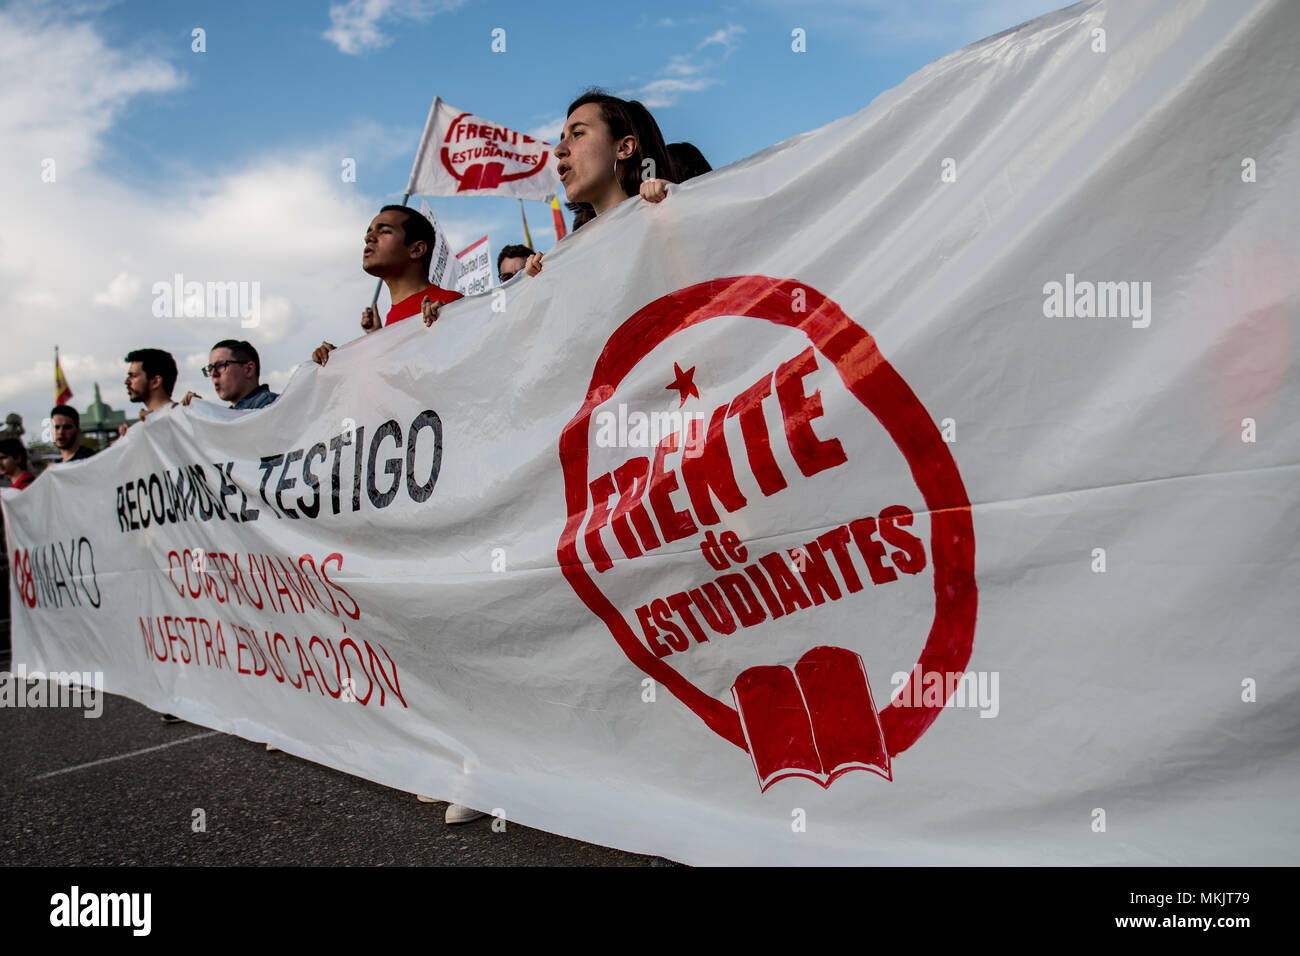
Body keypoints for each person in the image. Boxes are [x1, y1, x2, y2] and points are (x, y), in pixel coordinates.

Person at [523, 91, 676, 278]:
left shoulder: (669, 221)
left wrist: (677, 206)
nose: (558, 150)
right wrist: (547, 278)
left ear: (624, 147)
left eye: (577, 133)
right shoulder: (573, 260)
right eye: (562, 138)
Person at [312, 206, 464, 366]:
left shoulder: (449, 304)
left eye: (384, 231)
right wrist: (337, 361)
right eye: (369, 231)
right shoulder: (390, 320)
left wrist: (446, 326)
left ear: (417, 249)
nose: (368, 237)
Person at [181, 340, 279, 410]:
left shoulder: (270, 407)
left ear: (248, 369)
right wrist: (199, 410)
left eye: (220, 365)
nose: (213, 374)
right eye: (210, 368)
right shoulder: (232, 415)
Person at [119, 348, 178, 437]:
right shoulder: (147, 426)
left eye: (133, 376)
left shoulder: (180, 418)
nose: (126, 381)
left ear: (155, 381)